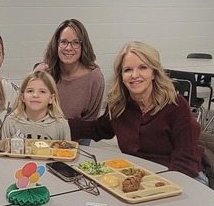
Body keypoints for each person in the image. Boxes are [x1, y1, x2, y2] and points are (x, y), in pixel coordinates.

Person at [68, 41, 203, 177]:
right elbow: (98, 129)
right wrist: (56, 123)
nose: (134, 75)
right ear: (121, 76)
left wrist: (155, 186)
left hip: (181, 179)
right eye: (128, 70)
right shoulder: (119, 105)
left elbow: (186, 164)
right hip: (139, 178)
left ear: (154, 73)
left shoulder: (176, 105)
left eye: (143, 67)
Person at [36, 19, 105, 123]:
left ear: (83, 46)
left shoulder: (95, 78)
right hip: (46, 132)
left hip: (79, 135)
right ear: (56, 44)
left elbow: (91, 120)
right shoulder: (43, 72)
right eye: (63, 42)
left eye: (76, 42)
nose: (69, 48)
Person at [1, 71, 71, 141]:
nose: (35, 95)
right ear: (22, 97)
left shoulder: (61, 125)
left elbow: (67, 151)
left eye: (42, 92)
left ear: (51, 98)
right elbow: (4, 150)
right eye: (30, 91)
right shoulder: (11, 122)